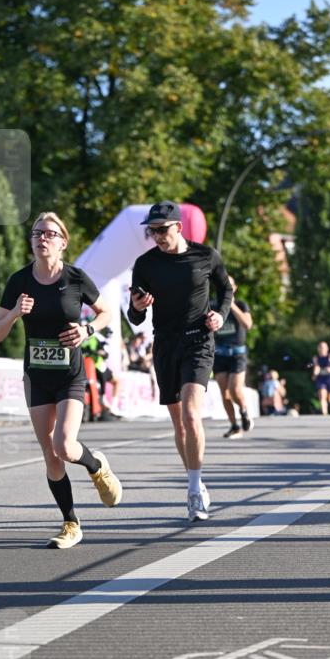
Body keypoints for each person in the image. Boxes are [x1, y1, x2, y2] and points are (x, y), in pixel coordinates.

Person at [0, 211, 122, 549]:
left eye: (49, 233)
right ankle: (71, 522)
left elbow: (107, 311)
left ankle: (96, 465)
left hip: (69, 374)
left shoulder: (76, 278)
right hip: (36, 377)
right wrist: (15, 313)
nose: (42, 238)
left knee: (65, 445)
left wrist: (87, 328)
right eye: (36, 233)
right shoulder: (18, 281)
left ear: (62, 243)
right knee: (50, 455)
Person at [128, 201, 233, 521]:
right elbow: (135, 315)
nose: (157, 236)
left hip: (198, 340)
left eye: (162, 230)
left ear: (179, 227)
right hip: (166, 344)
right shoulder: (145, 264)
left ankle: (194, 488)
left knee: (191, 415)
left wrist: (220, 315)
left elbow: (226, 290)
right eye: (152, 231)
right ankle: (193, 477)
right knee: (179, 424)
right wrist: (137, 305)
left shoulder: (206, 256)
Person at [213, 275, 254, 438]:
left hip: (237, 353)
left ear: (234, 288)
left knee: (235, 389)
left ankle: (244, 411)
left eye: (229, 285)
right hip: (220, 353)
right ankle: (234, 426)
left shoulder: (241, 304)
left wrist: (231, 306)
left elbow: (247, 325)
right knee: (225, 392)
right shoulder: (213, 306)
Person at [311, 340, 330, 416]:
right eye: (320, 347)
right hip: (321, 378)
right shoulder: (316, 358)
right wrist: (315, 374)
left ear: (327, 348)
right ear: (318, 349)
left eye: (323, 347)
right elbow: (316, 368)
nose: (322, 349)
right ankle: (324, 413)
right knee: (322, 395)